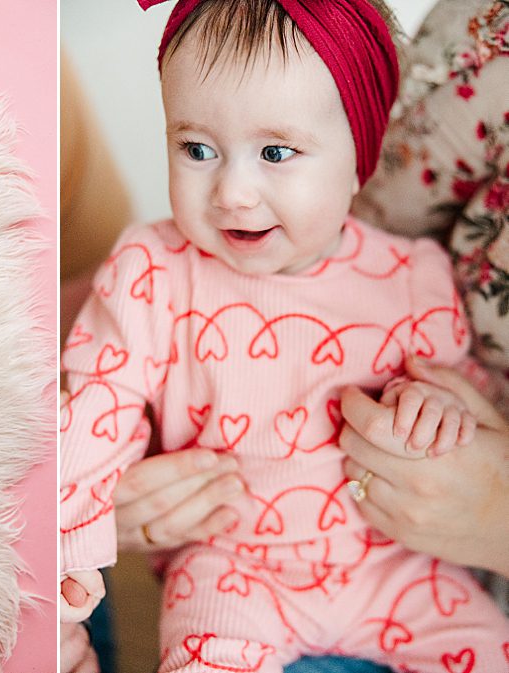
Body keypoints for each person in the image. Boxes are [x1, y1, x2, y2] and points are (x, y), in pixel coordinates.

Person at [59, 1, 509, 671]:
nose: (234, 191)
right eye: (197, 149)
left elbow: (462, 398)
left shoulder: (410, 276)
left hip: (397, 568)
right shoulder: (153, 270)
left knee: (486, 647)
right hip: (234, 567)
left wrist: (436, 414)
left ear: (363, 153)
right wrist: (63, 564)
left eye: (276, 152)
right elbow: (95, 416)